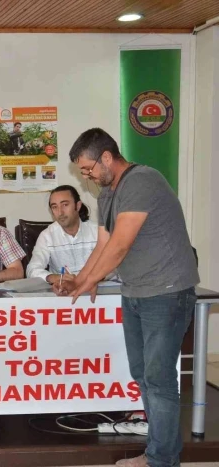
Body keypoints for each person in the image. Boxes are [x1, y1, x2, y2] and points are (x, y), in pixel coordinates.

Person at [58, 128, 199, 467]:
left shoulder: (143, 181)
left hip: (167, 292)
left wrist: (89, 281)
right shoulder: (107, 193)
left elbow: (120, 246)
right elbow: (103, 245)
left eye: (88, 168)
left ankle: (161, 460)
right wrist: (80, 280)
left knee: (159, 379)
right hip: (135, 292)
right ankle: (157, 454)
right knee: (144, 375)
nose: (86, 176)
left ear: (107, 158)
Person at [26, 185, 115, 284]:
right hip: (63, 290)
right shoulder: (47, 236)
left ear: (78, 206)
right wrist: (54, 278)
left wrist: (93, 278)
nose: (60, 212)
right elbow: (32, 269)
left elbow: (116, 264)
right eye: (54, 207)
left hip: (97, 287)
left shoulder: (98, 232)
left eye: (65, 205)